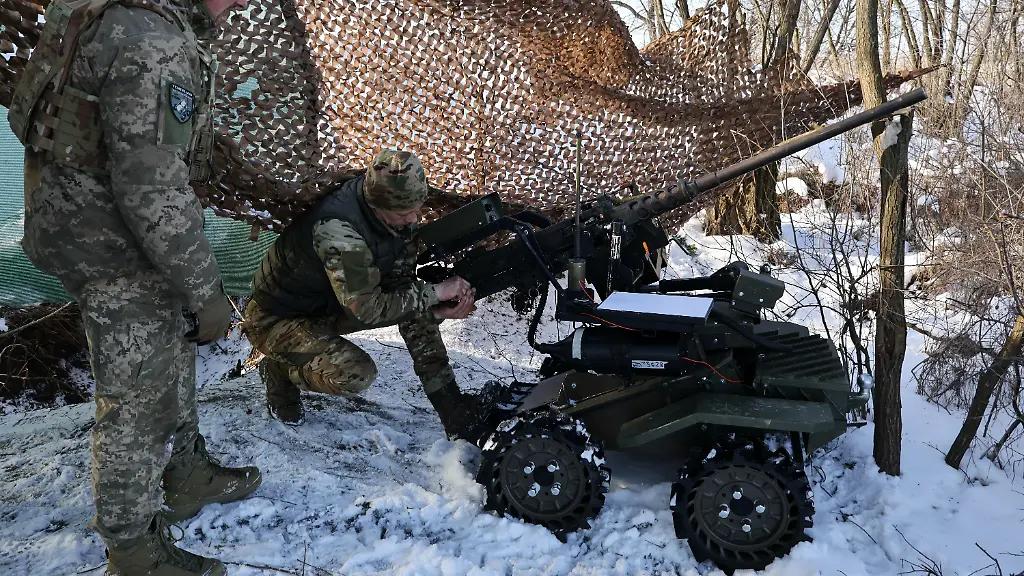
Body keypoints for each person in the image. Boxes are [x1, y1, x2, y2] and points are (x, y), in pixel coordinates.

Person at [8, 0, 262, 573]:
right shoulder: (153, 41)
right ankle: (133, 552)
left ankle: (186, 475)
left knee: (168, 351)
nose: (244, 3)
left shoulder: (115, 10)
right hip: (114, 243)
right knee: (137, 403)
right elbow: (152, 190)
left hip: (82, 219)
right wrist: (207, 290)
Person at [242, 149, 496, 442]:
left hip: (328, 306)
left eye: (417, 208)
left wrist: (434, 308)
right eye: (404, 214)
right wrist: (436, 292)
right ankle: (280, 369)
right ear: (376, 206)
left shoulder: (394, 214)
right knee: (354, 374)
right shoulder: (340, 235)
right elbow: (368, 309)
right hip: (276, 320)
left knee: (417, 301)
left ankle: (451, 408)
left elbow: (403, 290)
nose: (414, 219)